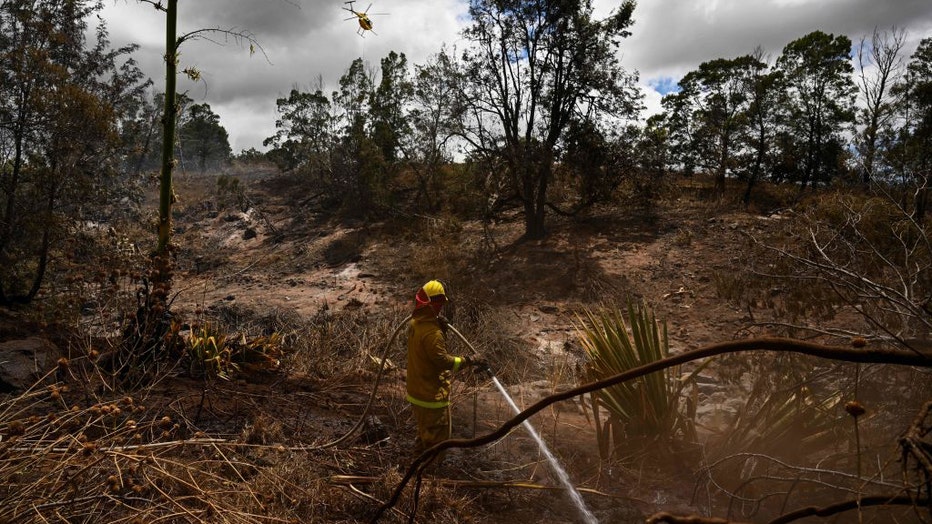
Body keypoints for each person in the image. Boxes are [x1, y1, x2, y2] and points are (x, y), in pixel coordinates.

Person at [405, 280, 485, 463]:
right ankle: (428, 478)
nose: (441, 308)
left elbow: (428, 352)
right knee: (437, 443)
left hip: (416, 391)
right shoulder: (432, 334)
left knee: (425, 435)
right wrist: (468, 360)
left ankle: (414, 468)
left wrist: (439, 325)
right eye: (440, 305)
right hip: (431, 395)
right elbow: (442, 361)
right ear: (435, 304)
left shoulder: (415, 324)